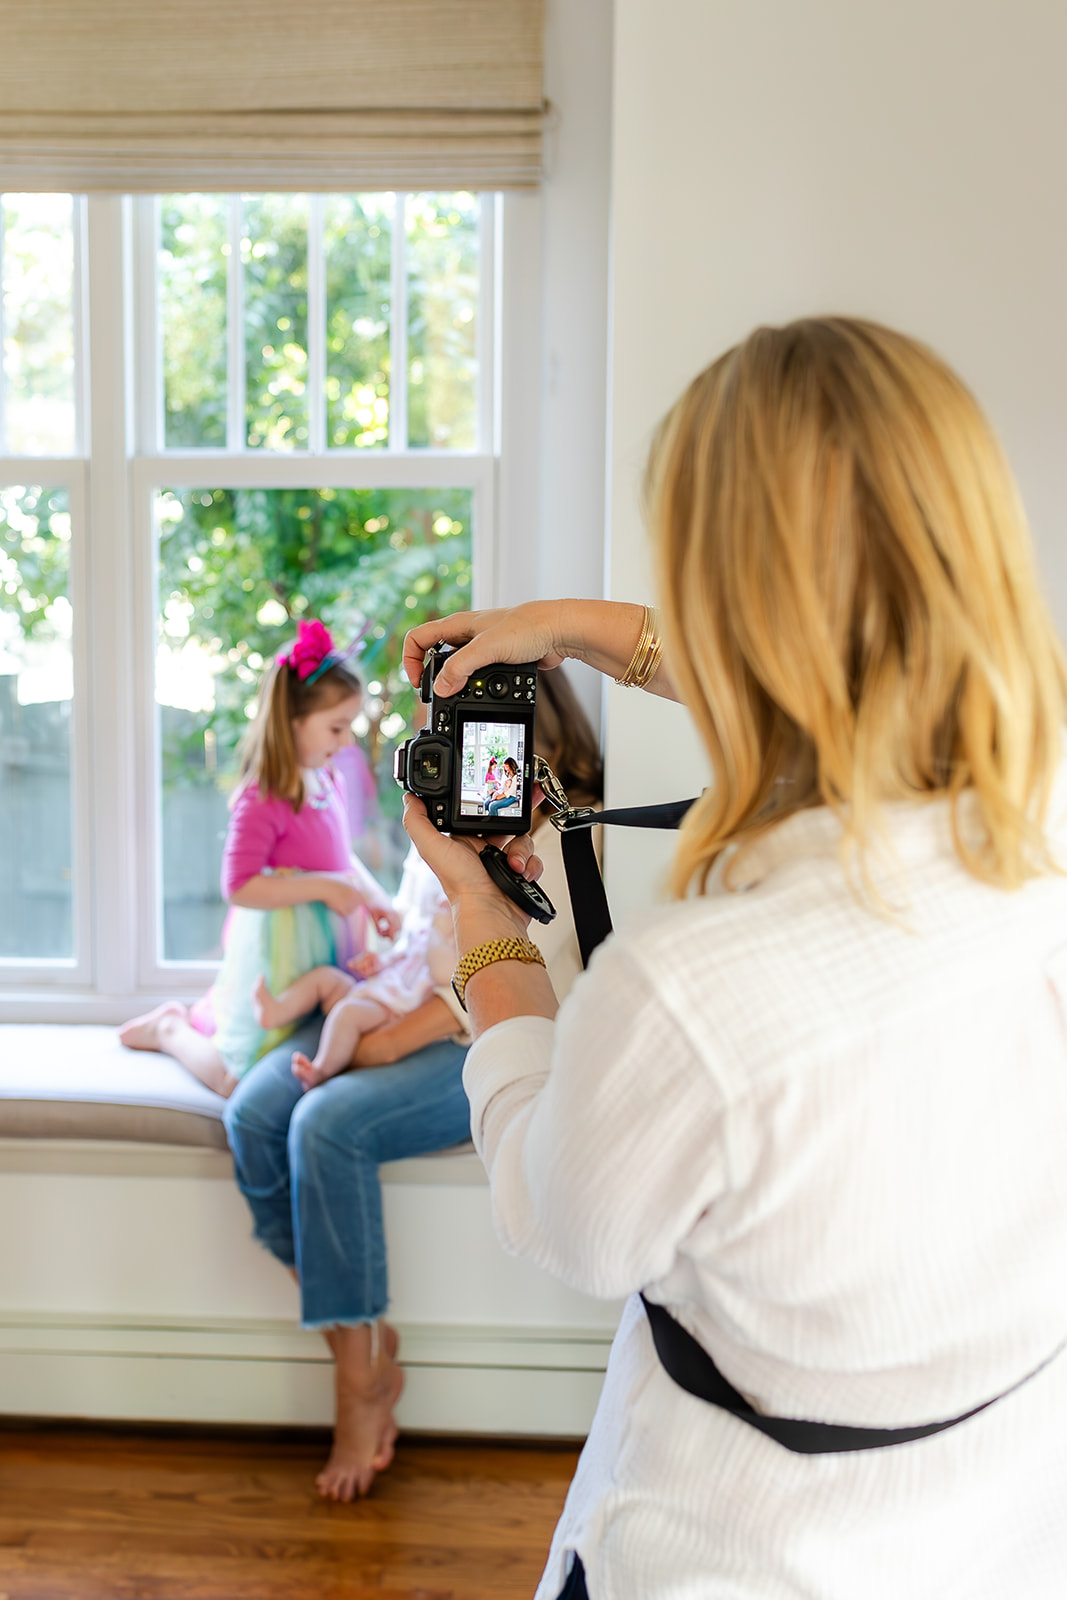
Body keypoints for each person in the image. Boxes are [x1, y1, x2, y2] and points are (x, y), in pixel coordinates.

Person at [400, 318, 1067, 1599]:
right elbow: (853, 678)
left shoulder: (691, 987)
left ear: (727, 593)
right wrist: (569, 630)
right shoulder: (1034, 820)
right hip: (998, 1532)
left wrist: (487, 943)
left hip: (735, 1557)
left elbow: (569, 1222)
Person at [222, 672, 604, 1503]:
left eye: (464, 721)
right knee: (253, 1113)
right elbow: (416, 931)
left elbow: (523, 965)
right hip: (408, 997)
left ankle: (356, 1382)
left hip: (482, 1025)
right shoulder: (449, 803)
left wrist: (388, 1039)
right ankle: (361, 1333)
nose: (444, 741)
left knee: (324, 1123)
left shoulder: (571, 818)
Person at [119, 619, 399, 1097]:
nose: (346, 741)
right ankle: (169, 1029)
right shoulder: (264, 796)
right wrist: (322, 887)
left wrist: (375, 898)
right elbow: (240, 885)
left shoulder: (329, 779)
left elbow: (341, 859)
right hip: (279, 954)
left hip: (321, 951)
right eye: (336, 727)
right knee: (236, 1078)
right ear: (294, 720)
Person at [252, 846, 457, 1091]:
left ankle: (321, 1071)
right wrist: (377, 962)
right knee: (325, 979)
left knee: (346, 1014)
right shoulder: (420, 927)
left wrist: (446, 925)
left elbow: (443, 975)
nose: (440, 903)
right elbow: (399, 953)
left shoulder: (449, 948)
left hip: (393, 1009)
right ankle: (277, 1010)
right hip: (376, 991)